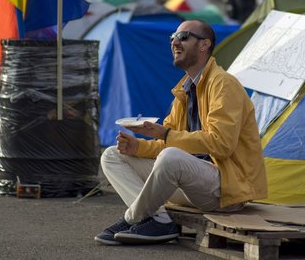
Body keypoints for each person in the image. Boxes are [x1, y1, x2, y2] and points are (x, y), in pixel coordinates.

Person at [95, 20, 267, 245]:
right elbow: (172, 143)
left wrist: (165, 134)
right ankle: (158, 219)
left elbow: (221, 144)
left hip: (225, 188)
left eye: (183, 36)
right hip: (190, 184)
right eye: (172, 37)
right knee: (112, 156)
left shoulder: (224, 84)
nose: (175, 42)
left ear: (204, 45)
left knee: (171, 157)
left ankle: (132, 218)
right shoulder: (184, 90)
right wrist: (139, 146)